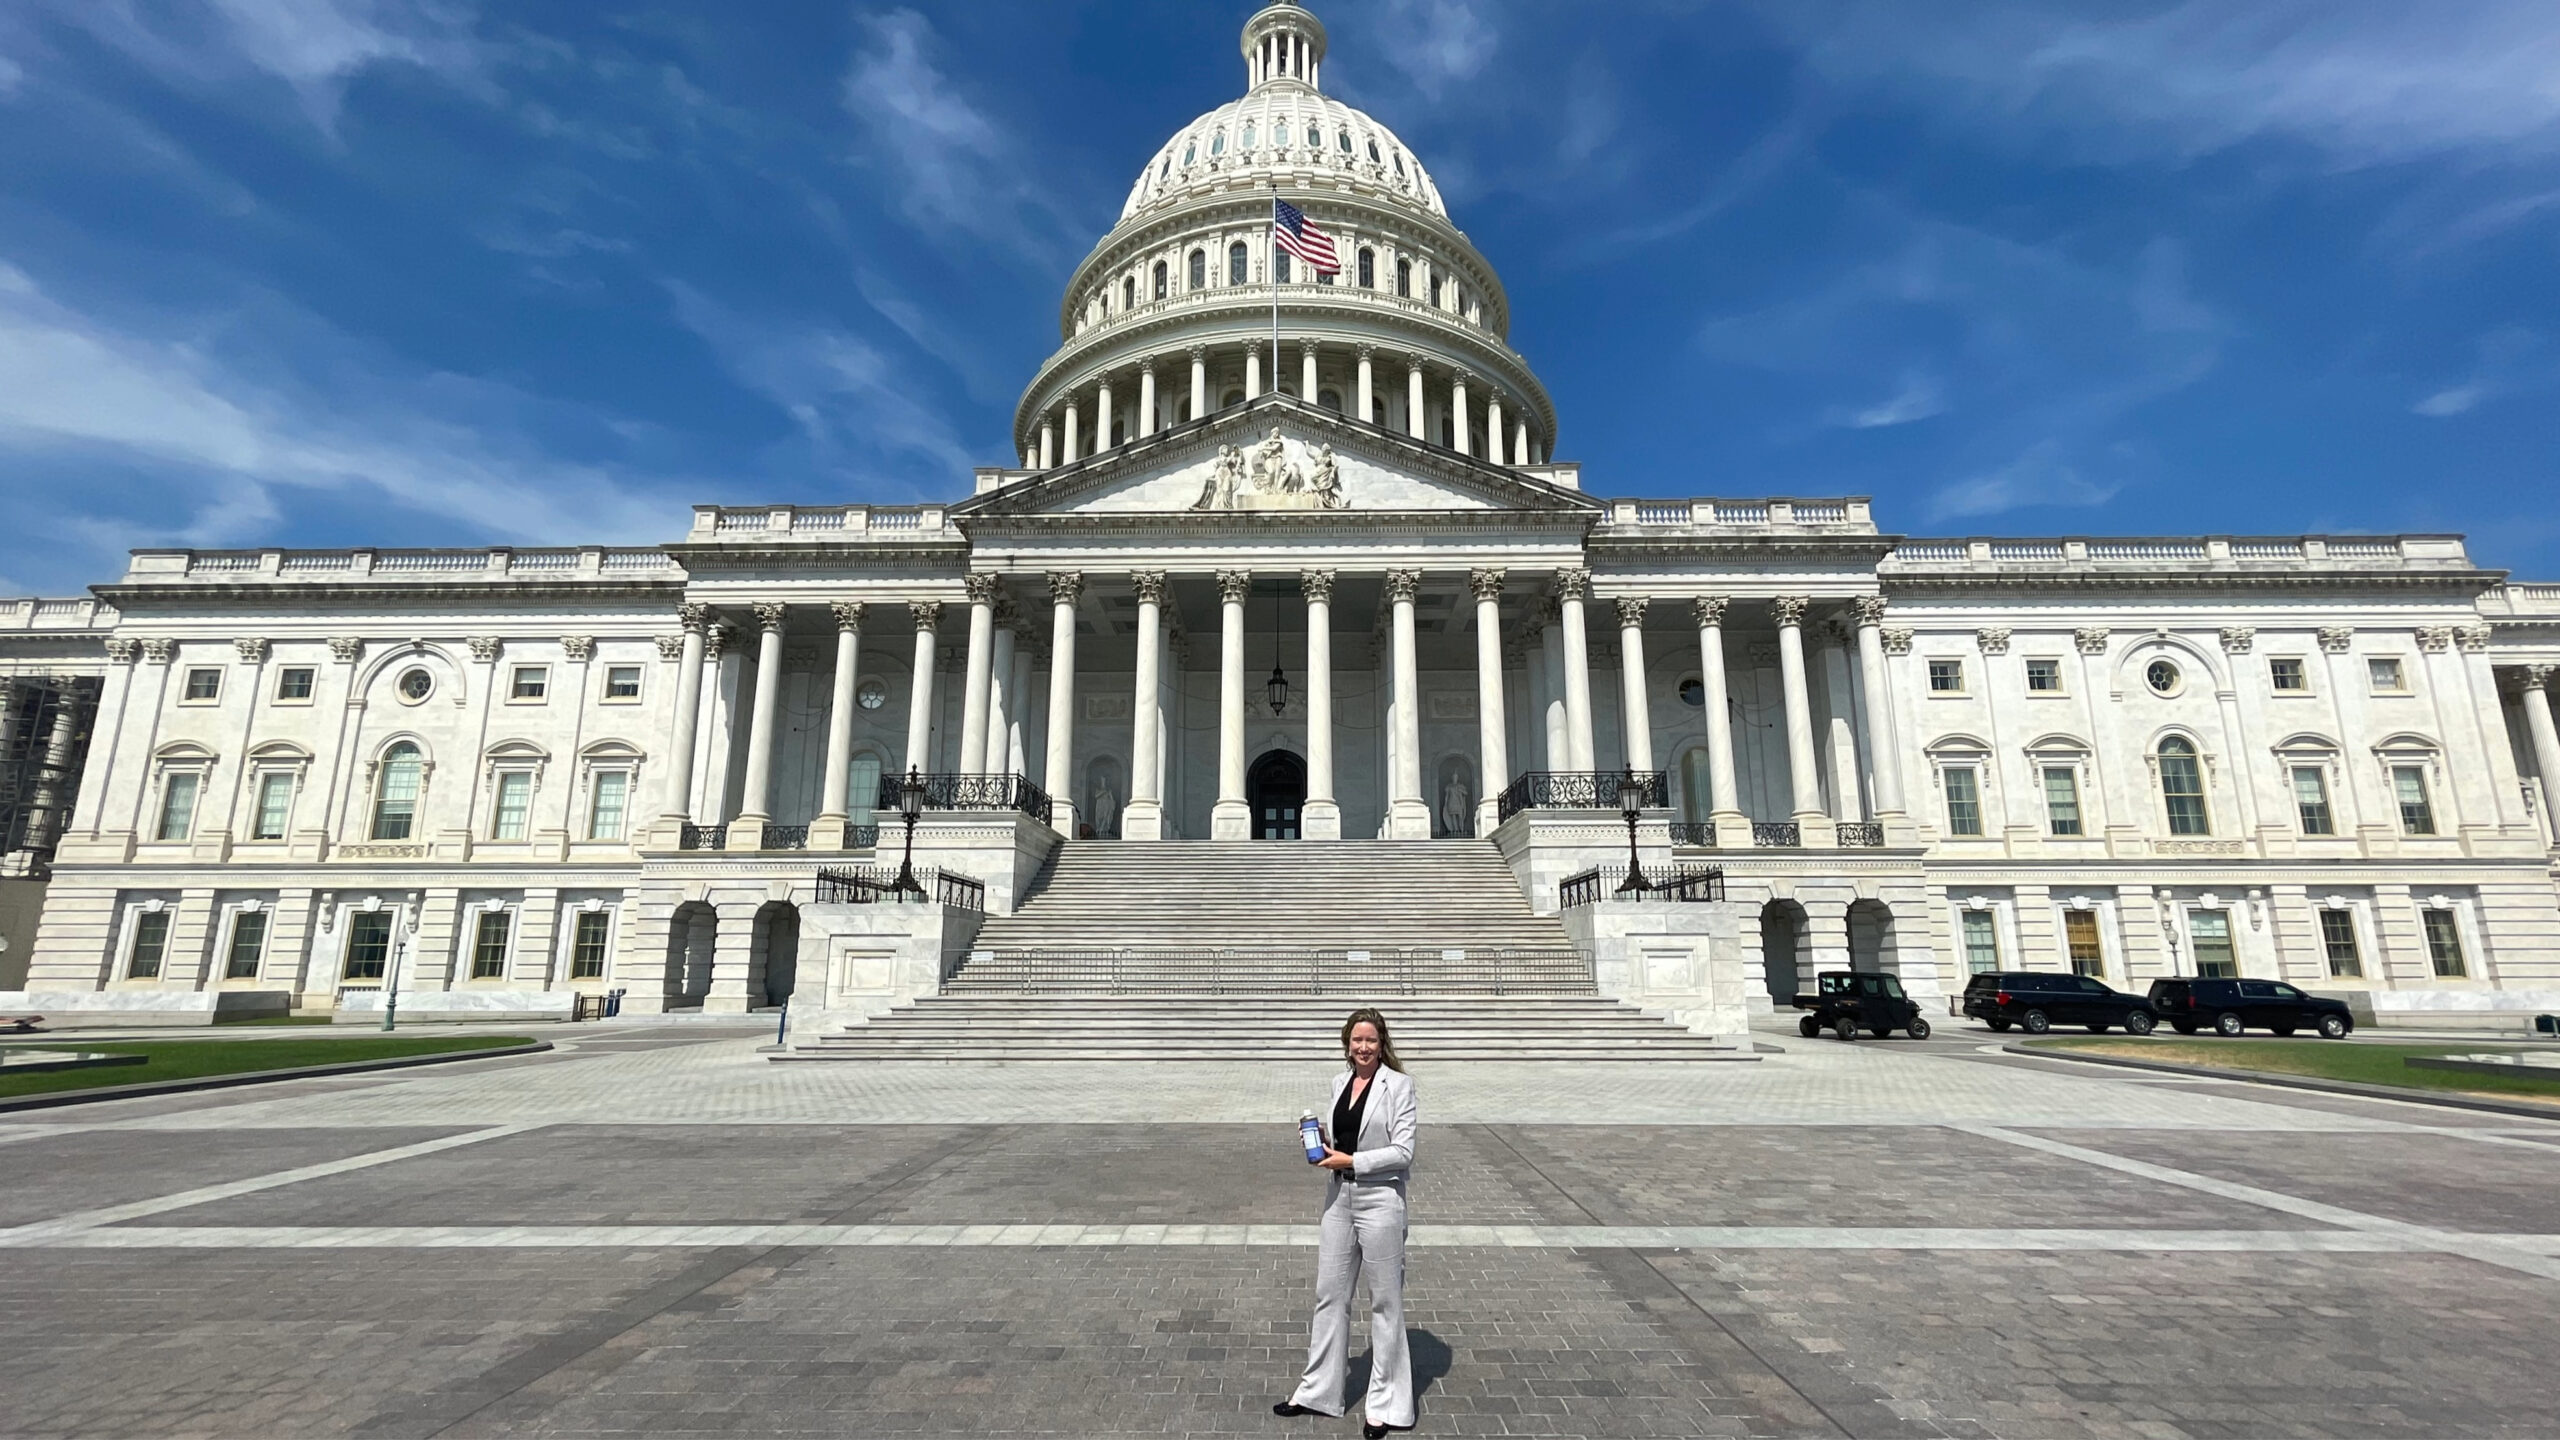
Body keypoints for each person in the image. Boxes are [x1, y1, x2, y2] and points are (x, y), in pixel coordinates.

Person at [1275, 1008, 1417, 1437]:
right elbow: (1346, 1138)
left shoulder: (1400, 1086)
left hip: (1380, 1200)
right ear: (1347, 1043)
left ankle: (1387, 1404)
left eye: (1371, 1040)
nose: (1363, 1048)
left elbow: (1404, 1151)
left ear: (1382, 1043)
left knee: (1385, 1303)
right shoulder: (1340, 1083)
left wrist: (1353, 1160)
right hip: (1339, 1197)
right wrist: (1324, 1145)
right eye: (1357, 1040)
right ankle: (1318, 1390)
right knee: (1329, 1296)